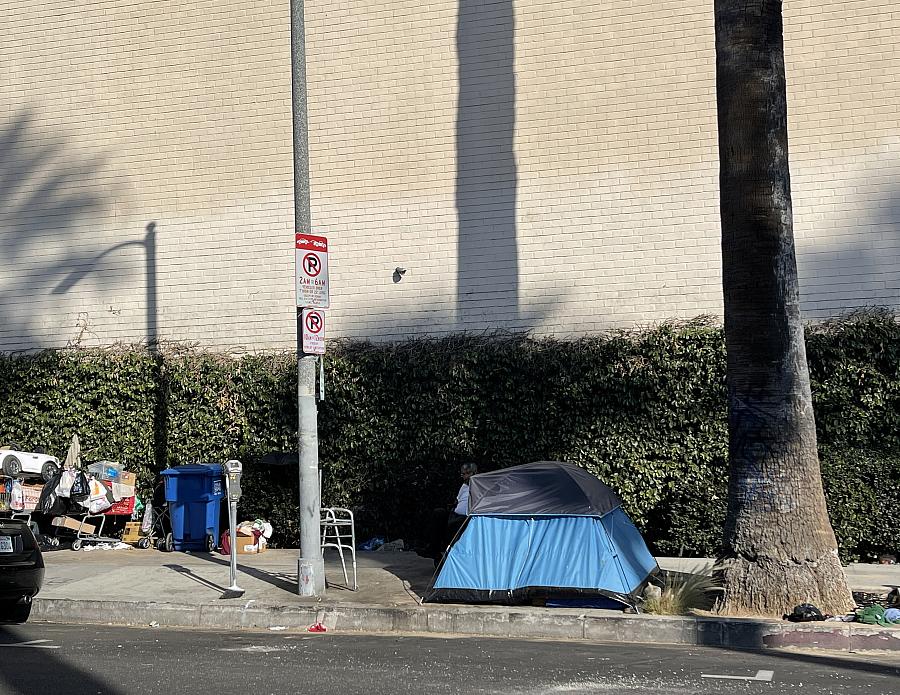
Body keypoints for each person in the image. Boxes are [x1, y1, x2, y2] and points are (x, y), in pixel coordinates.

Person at [424, 462, 478, 562]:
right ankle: (434, 550)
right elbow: (458, 501)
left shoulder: (479, 486)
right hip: (455, 514)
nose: (464, 476)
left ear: (474, 473)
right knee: (438, 513)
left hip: (467, 517)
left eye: (467, 473)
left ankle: (449, 553)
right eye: (463, 474)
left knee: (455, 523)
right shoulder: (464, 486)